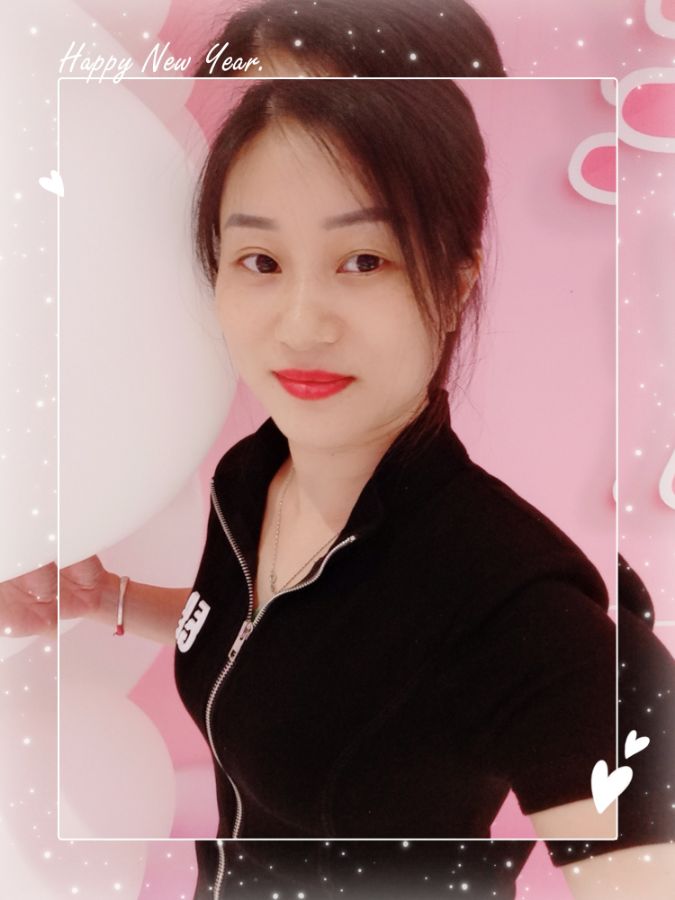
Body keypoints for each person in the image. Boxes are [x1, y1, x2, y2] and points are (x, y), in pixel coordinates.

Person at [1, 3, 672, 900]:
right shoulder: (252, 477)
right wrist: (110, 599)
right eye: (260, 261)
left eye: (363, 261)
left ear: (453, 279)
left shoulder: (508, 597)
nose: (301, 325)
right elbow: (274, 635)